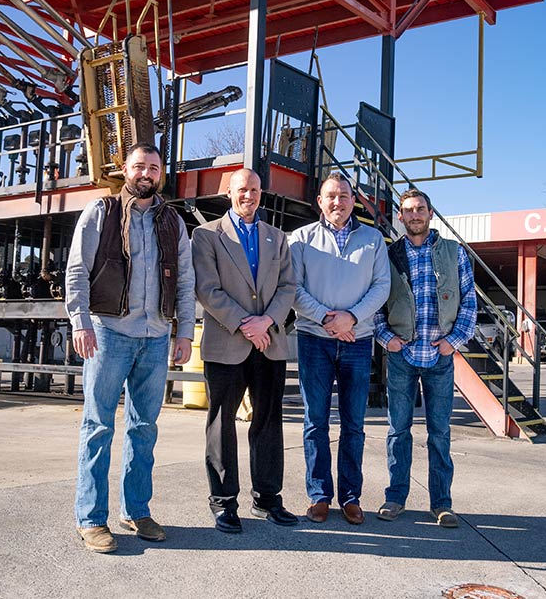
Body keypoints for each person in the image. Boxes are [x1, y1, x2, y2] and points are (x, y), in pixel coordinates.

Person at [66, 141, 196, 553]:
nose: (146, 174)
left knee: (144, 428)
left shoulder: (173, 222)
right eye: (139, 166)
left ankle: (136, 510)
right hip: (109, 333)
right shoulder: (100, 212)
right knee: (98, 425)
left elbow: (187, 282)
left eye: (154, 168)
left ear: (161, 174)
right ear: (125, 170)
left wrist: (184, 332)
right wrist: (80, 322)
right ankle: (90, 519)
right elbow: (77, 270)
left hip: (156, 337)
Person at [191, 168, 297, 533]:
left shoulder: (276, 238)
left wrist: (265, 322)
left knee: (268, 423)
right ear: (229, 193)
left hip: (269, 344)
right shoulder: (205, 236)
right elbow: (207, 289)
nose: (248, 196)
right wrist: (244, 323)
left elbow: (288, 287)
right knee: (222, 424)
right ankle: (223, 502)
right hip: (226, 343)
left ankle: (268, 499)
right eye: (241, 190)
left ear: (261, 193)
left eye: (253, 190)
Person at [289, 174, 390, 525]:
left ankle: (351, 497)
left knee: (354, 424)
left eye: (344, 196)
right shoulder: (300, 239)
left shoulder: (374, 240)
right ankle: (319, 495)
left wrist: (351, 318)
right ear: (320, 201)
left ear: (353, 201)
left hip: (358, 342)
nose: (338, 202)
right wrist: (327, 320)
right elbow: (293, 288)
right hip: (314, 340)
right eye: (331, 196)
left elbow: (382, 287)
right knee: (315, 422)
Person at [373, 188, 476, 529]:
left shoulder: (454, 253)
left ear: (431, 213)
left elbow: (469, 304)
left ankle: (441, 503)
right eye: (408, 210)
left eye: (420, 209)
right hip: (402, 355)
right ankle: (395, 497)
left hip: (440, 356)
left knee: (440, 432)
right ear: (400, 217)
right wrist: (386, 338)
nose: (414, 215)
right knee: (398, 431)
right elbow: (375, 300)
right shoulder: (389, 255)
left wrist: (454, 341)